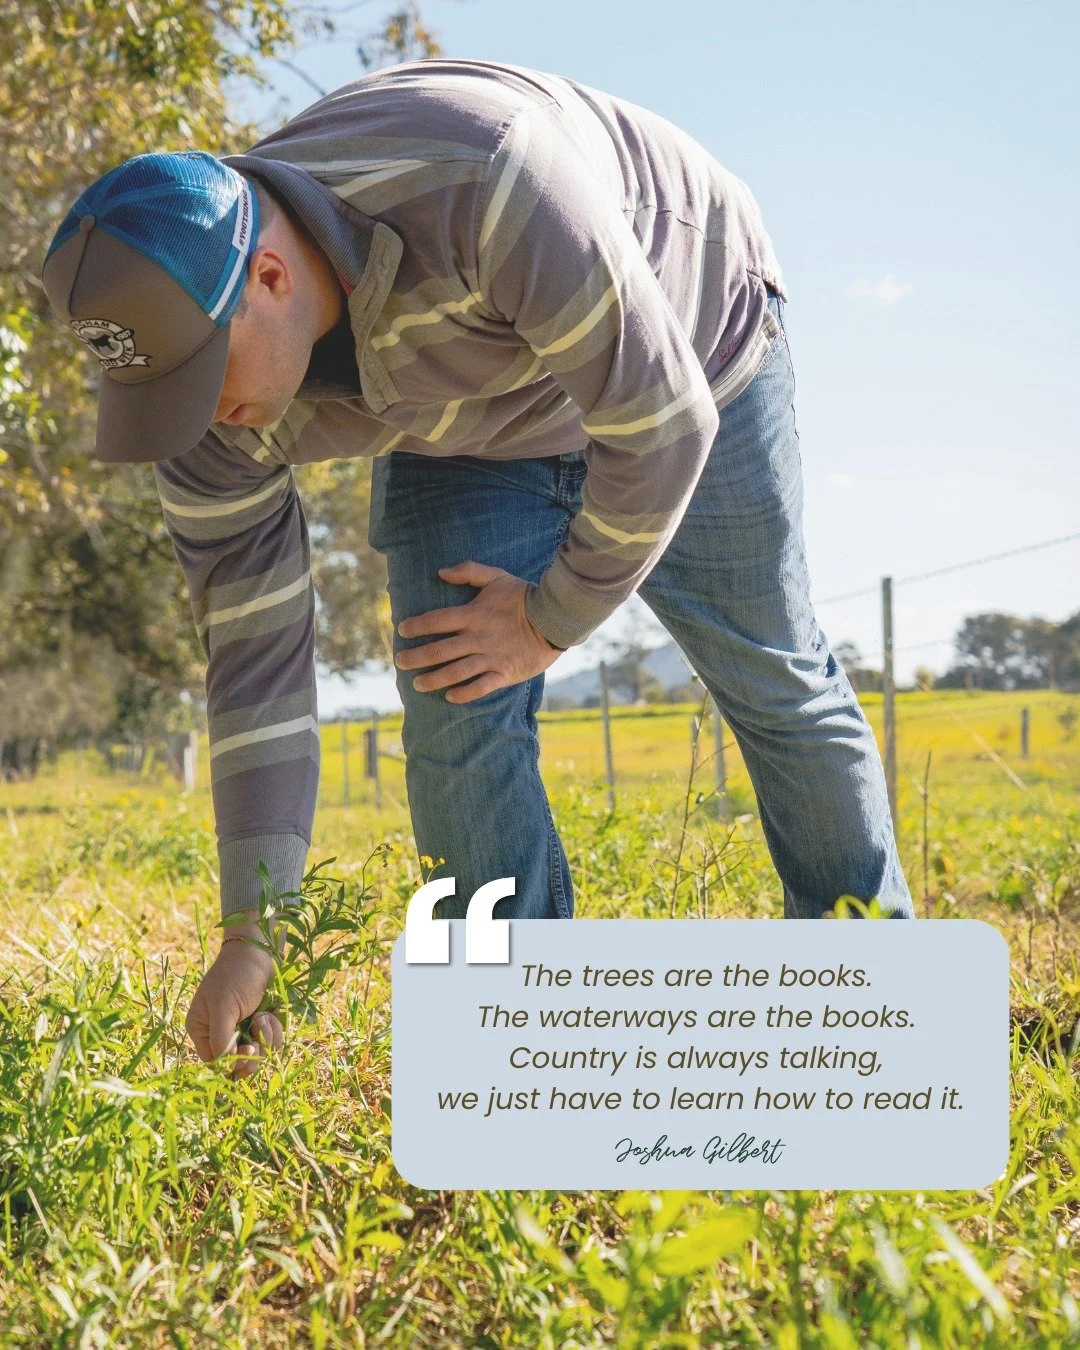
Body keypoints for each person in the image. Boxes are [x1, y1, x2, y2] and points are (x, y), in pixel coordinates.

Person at [41, 57, 913, 1076]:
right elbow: (254, 668)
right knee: (454, 688)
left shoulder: (485, 177)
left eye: (201, 378)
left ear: (270, 279)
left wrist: (551, 620)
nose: (198, 420)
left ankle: (875, 1011)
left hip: (688, 337)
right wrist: (254, 933)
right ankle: (525, 1053)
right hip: (470, 416)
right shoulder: (204, 420)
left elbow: (662, 423)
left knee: (773, 676)